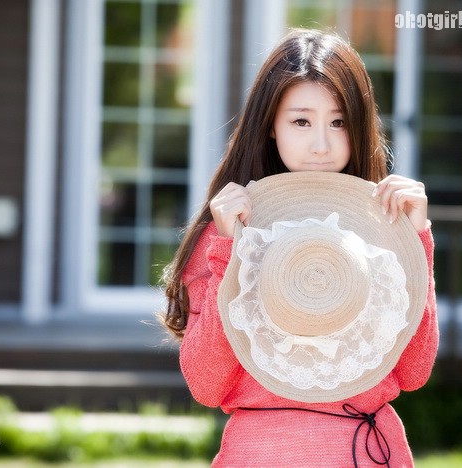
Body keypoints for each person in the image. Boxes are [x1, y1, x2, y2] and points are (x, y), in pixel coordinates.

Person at [161, 28, 438, 467]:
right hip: (262, 454)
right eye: (301, 121)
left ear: (360, 125)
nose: (321, 145)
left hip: (365, 453)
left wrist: (415, 241)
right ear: (270, 124)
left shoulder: (385, 227)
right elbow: (206, 384)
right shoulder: (229, 227)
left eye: (339, 121)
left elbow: (414, 371)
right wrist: (229, 252)